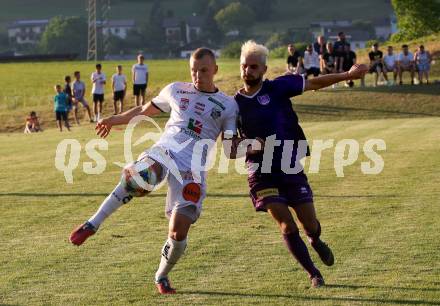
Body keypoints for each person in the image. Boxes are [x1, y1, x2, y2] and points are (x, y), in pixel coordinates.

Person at [69, 48, 239, 294]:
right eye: (193, 70)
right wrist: (112, 120)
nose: (197, 75)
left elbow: (231, 146)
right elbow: (142, 111)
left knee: (178, 230)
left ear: (215, 70)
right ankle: (92, 224)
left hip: (193, 169)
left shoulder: (227, 105)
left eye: (203, 70)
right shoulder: (176, 90)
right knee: (141, 176)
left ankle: (161, 276)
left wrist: (254, 146)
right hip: (165, 151)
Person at [232, 41, 368, 287]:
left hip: (289, 164)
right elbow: (229, 148)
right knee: (286, 223)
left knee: (310, 224)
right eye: (244, 66)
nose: (247, 71)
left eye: (253, 66)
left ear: (263, 69)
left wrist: (347, 75)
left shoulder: (279, 87)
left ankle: (315, 240)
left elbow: (315, 83)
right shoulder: (233, 105)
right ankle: (313, 273)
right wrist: (254, 145)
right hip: (260, 172)